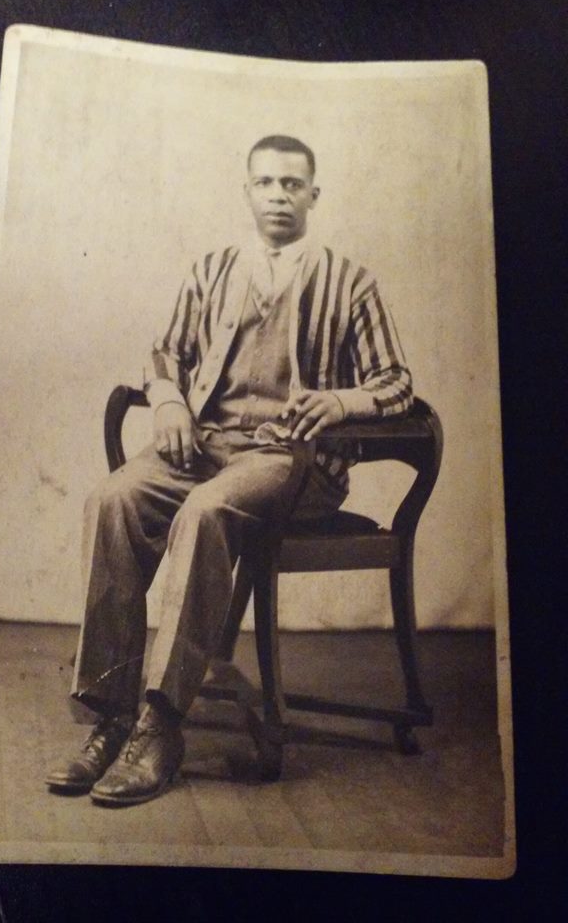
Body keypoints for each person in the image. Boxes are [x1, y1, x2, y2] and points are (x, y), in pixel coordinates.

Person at [45, 135, 412, 806]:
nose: (278, 195)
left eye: (292, 185)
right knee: (113, 499)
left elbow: (396, 383)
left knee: (207, 511)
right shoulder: (213, 270)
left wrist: (340, 400)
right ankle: (111, 717)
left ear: (314, 195)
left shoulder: (351, 282)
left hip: (290, 462)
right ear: (247, 191)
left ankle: (160, 725)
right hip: (207, 446)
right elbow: (166, 354)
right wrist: (167, 405)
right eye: (266, 183)